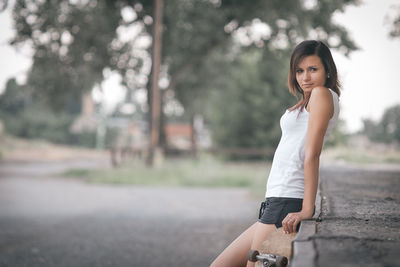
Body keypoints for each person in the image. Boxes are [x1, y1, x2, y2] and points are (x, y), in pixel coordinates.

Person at [210, 40, 340, 267]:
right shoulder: (309, 100)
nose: (305, 77)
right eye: (299, 70)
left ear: (327, 70)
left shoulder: (321, 94)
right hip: (276, 201)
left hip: (288, 202)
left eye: (313, 69)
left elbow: (312, 154)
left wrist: (306, 209)